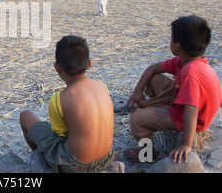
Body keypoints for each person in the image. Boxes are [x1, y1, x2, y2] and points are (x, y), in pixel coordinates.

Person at [125, 15, 221, 163]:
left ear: (178, 46)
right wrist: (137, 91)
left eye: (171, 38)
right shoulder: (186, 61)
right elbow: (153, 68)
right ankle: (151, 107)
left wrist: (186, 144)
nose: (169, 41)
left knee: (137, 119)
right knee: (154, 78)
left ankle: (147, 154)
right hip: (182, 101)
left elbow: (191, 109)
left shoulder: (191, 73)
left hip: (191, 117)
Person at [19, 35, 115, 173]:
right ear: (89, 63)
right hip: (106, 158)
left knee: (26, 116)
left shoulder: (59, 99)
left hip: (75, 165)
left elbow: (60, 134)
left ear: (57, 67)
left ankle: (46, 162)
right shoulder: (102, 87)